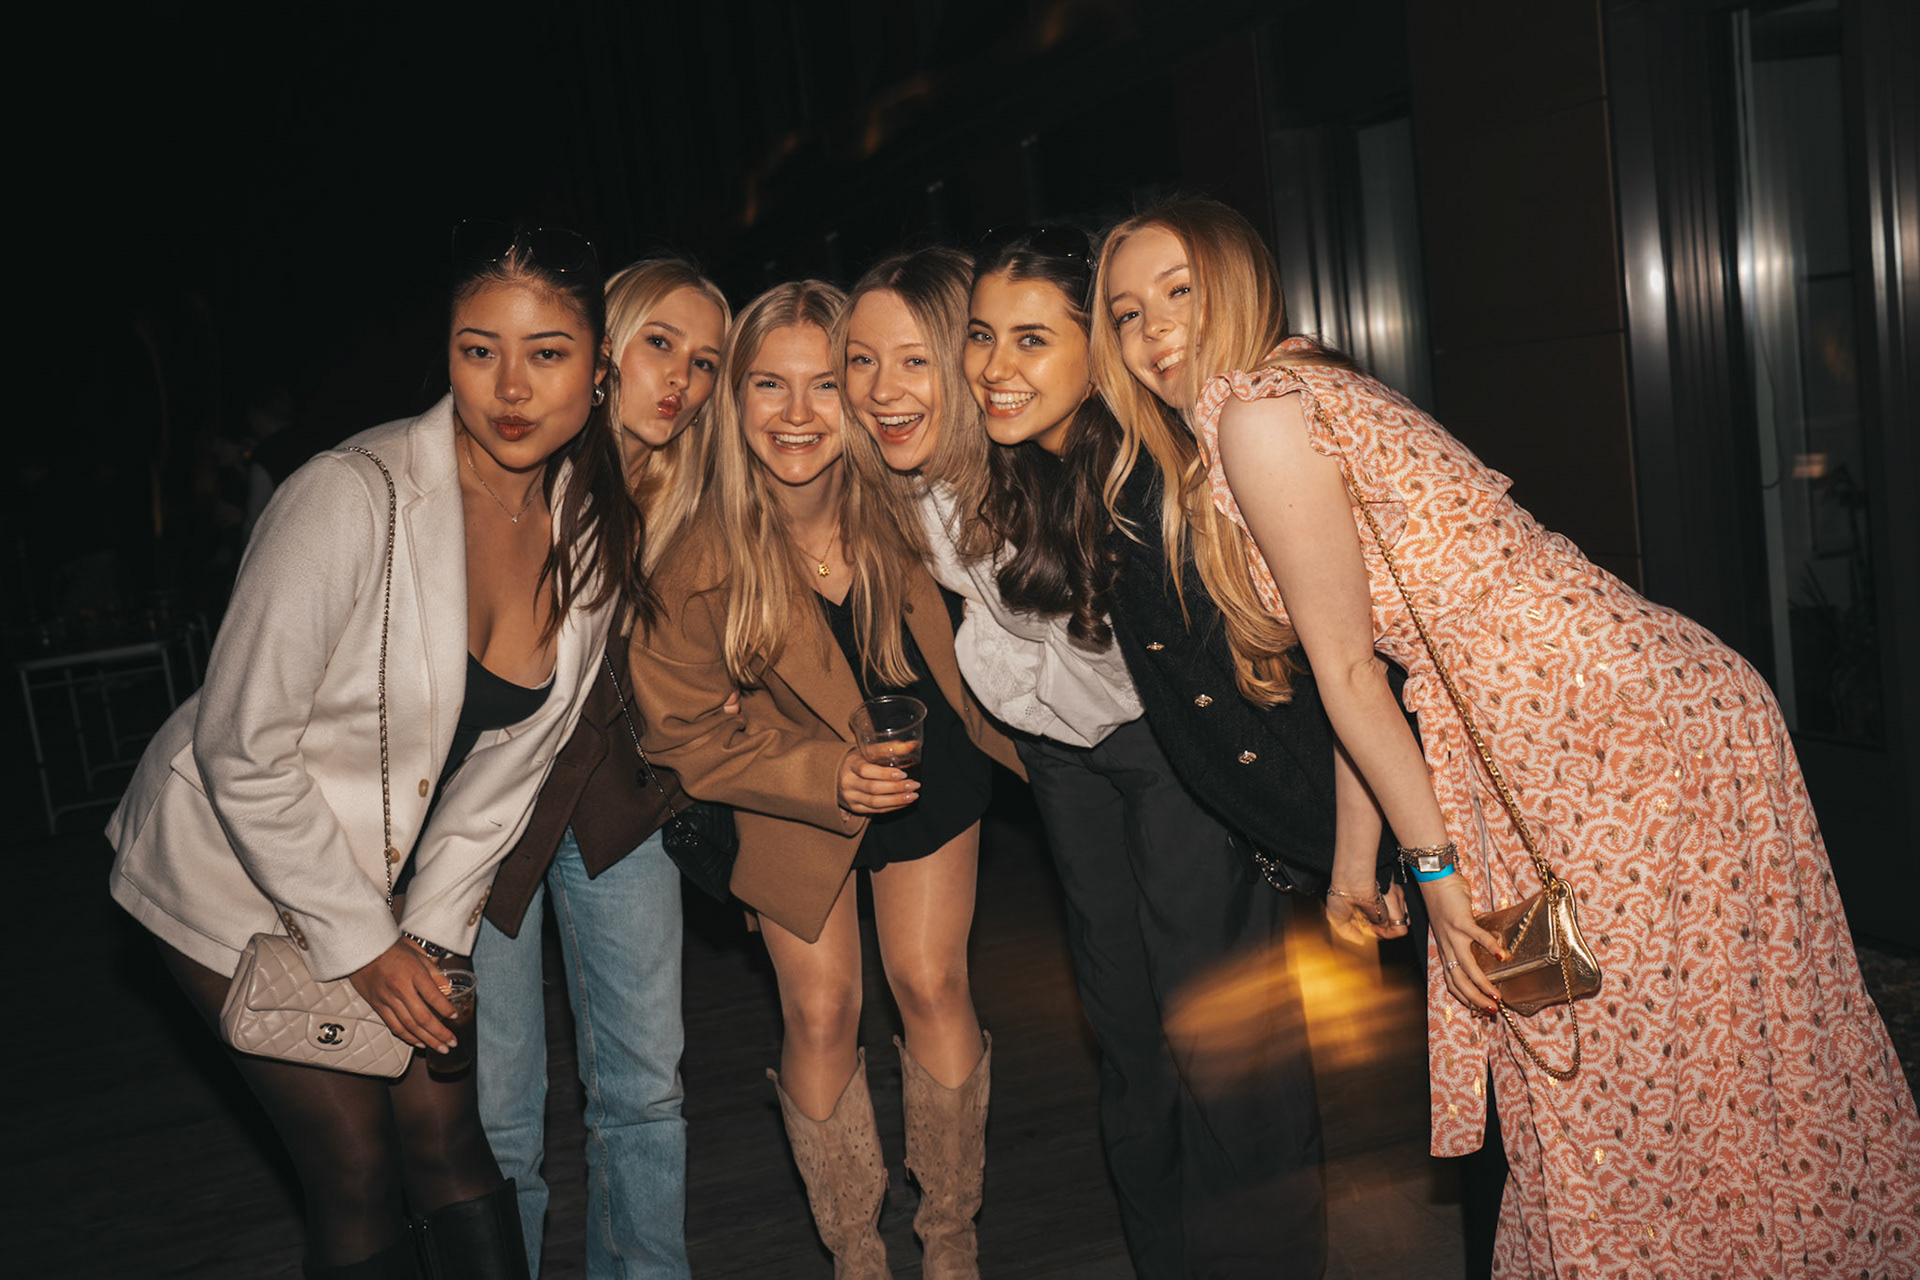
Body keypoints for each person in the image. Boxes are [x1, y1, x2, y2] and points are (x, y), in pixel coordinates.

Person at [1093, 196, 1920, 1279]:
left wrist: (1435, 873)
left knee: (1617, 1088)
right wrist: (1356, 863)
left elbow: (1350, 673)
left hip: (1608, 736)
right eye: (1126, 313)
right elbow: (1375, 659)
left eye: (1180, 291)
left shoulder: (1259, 413)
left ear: (1240, 283)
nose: (1154, 330)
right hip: (1631, 714)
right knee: (1709, 1069)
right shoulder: (1295, 385)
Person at [106, 220, 631, 1280]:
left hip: (394, 876)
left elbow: (508, 778)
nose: (510, 387)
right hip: (228, 860)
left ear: (599, 368)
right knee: (352, 1161)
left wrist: (425, 940)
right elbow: (240, 748)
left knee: (448, 1136)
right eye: (478, 349)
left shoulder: (589, 535)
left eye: (546, 352)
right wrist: (363, 945)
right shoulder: (351, 496)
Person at [846, 236, 1349, 1277]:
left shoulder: (1133, 464)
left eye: (1031, 339)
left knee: (1223, 1036)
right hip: (1064, 760)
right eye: (982, 337)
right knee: (1126, 1030)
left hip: (1175, 750)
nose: (994, 366)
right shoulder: (941, 467)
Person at [626, 280, 1023, 1280]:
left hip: (927, 762)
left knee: (932, 980)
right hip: (785, 788)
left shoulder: (912, 506)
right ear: (734, 398)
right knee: (821, 1009)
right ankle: (856, 1251)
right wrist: (822, 772)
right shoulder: (694, 556)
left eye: (825, 383)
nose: (797, 413)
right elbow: (678, 732)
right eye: (769, 383)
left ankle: (951, 1240)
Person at [474, 256, 730, 1278]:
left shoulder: (700, 496)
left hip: (621, 809)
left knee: (645, 1093)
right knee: (500, 1116)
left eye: (705, 361)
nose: (682, 379)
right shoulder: (514, 468)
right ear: (605, 345)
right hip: (488, 819)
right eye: (661, 343)